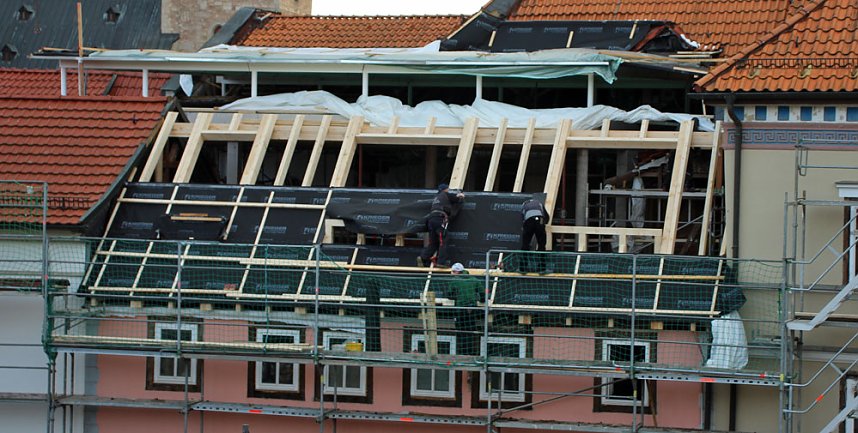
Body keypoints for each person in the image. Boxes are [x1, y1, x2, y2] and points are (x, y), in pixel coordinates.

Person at [417, 183, 464, 268]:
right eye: (448, 189)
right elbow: (457, 198)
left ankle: (423, 257)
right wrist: (461, 195)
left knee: (433, 242)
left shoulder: (436, 198)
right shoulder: (445, 194)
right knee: (443, 240)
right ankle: (441, 262)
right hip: (439, 219)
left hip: (431, 220)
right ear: (445, 189)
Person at [450, 263, 482, 356]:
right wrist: (480, 299)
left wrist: (458, 297)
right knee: (470, 331)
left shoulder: (455, 281)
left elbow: (449, 294)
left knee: (461, 332)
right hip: (472, 310)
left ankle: (462, 353)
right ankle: (471, 353)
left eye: (453, 272)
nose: (452, 273)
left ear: (457, 272)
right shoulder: (474, 280)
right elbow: (483, 294)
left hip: (460, 309)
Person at [519, 198, 550, 273]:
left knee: (525, 244)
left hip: (529, 221)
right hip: (540, 220)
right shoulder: (539, 203)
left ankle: (523, 268)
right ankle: (542, 268)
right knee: (541, 245)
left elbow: (523, 217)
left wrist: (524, 227)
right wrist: (544, 224)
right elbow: (546, 216)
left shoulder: (524, 204)